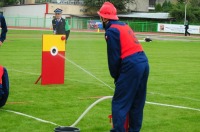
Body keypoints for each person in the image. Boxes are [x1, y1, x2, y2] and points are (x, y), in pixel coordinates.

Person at [98, 2, 149, 132]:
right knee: (137, 103)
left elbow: (114, 58)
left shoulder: (112, 30)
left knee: (119, 103)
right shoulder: (124, 25)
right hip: (143, 62)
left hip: (131, 64)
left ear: (104, 18)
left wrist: (116, 77)